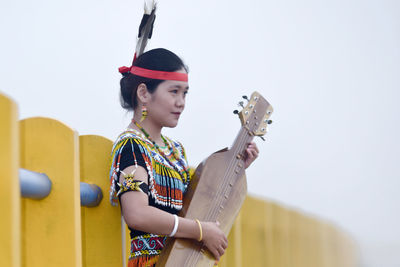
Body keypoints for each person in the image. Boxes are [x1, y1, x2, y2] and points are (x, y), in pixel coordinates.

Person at [109, 48, 259, 267]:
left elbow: (197, 206)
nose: (181, 102)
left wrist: (239, 168)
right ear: (143, 93)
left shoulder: (176, 151)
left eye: (185, 93)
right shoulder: (131, 145)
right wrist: (199, 230)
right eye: (174, 91)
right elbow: (137, 213)